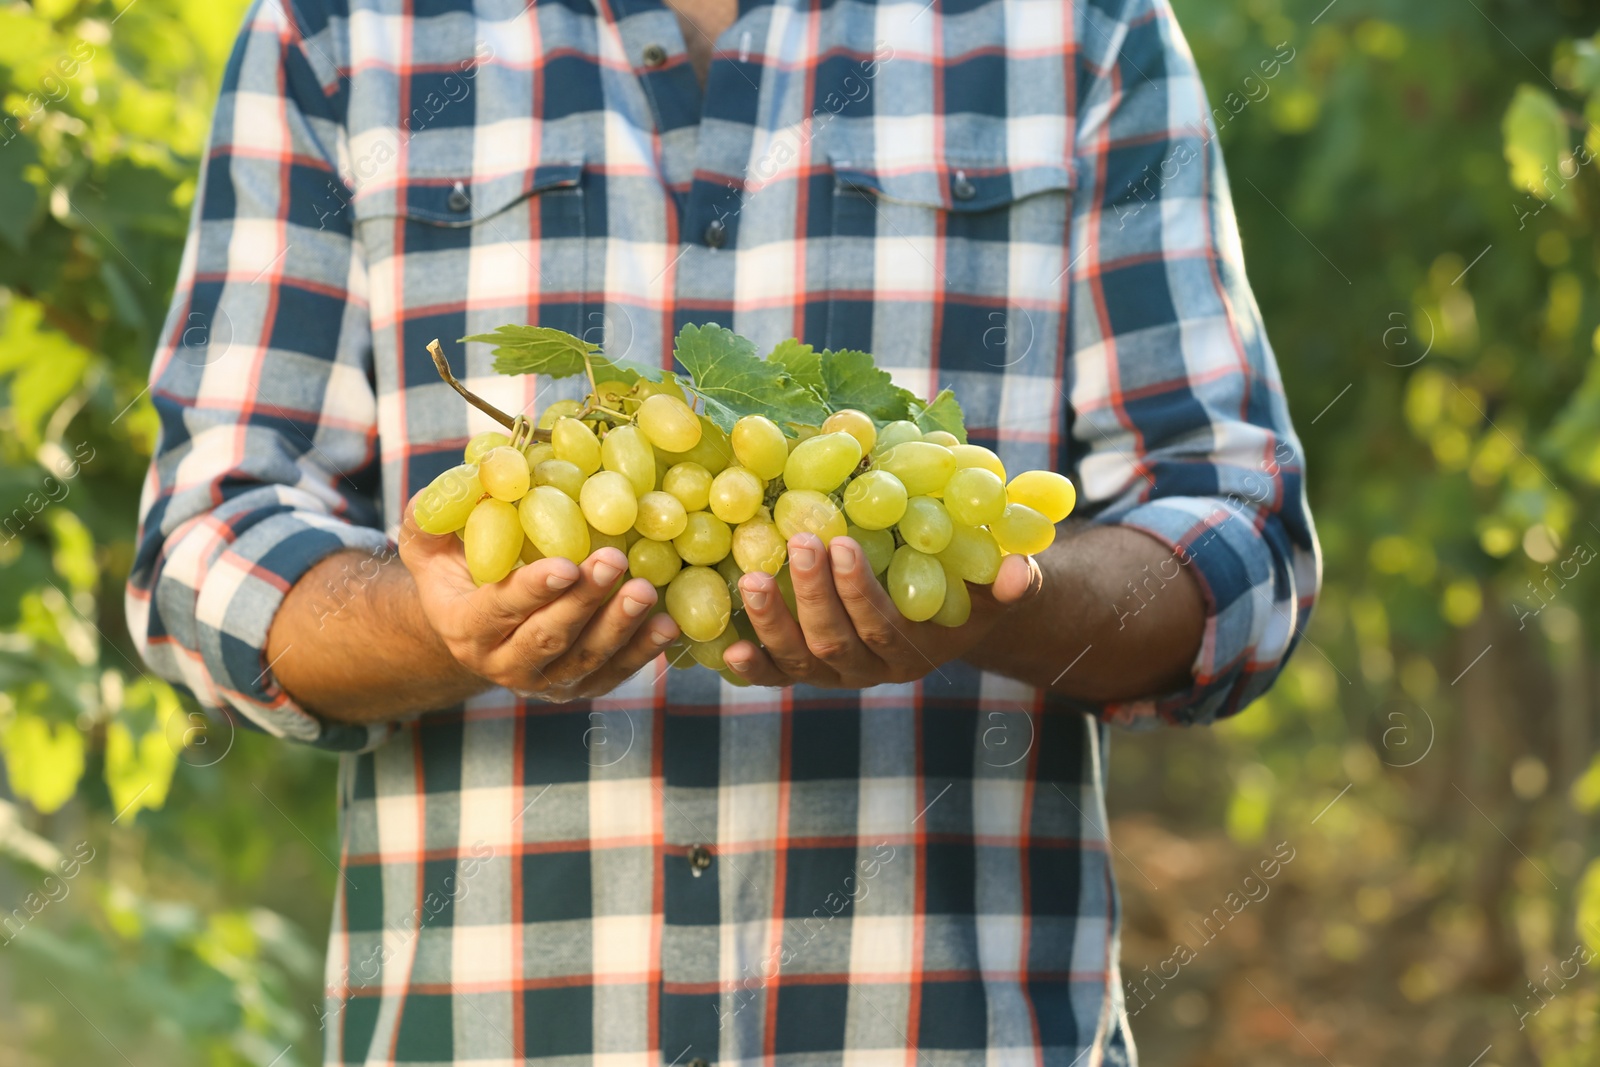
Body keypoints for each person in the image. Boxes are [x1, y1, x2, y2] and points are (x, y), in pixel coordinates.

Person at [128, 0, 1320, 1061]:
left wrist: (993, 599)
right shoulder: (337, 35)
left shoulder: (1082, 30)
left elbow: (1239, 536)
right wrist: (427, 624)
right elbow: (205, 539)